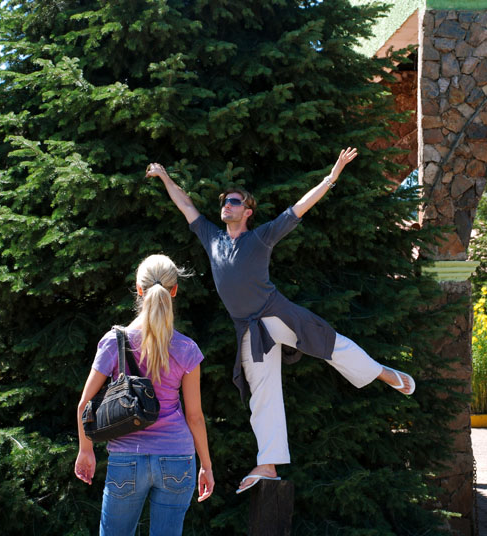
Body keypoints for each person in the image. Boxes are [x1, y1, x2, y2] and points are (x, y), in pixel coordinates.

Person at [147, 148, 414, 494]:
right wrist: (166, 176)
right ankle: (268, 465)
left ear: (248, 211)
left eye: (233, 201)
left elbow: (299, 208)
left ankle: (382, 373)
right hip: (248, 330)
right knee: (263, 395)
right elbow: (186, 206)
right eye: (224, 201)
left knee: (331, 344)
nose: (225, 205)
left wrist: (332, 177)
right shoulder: (212, 238)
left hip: (277, 314)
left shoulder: (261, 237)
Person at [74, 254, 214, 535]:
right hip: (177, 456)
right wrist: (206, 466)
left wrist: (86, 450)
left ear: (138, 289)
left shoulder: (114, 342)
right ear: (175, 290)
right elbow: (195, 417)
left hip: (127, 457)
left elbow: (85, 404)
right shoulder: (186, 349)